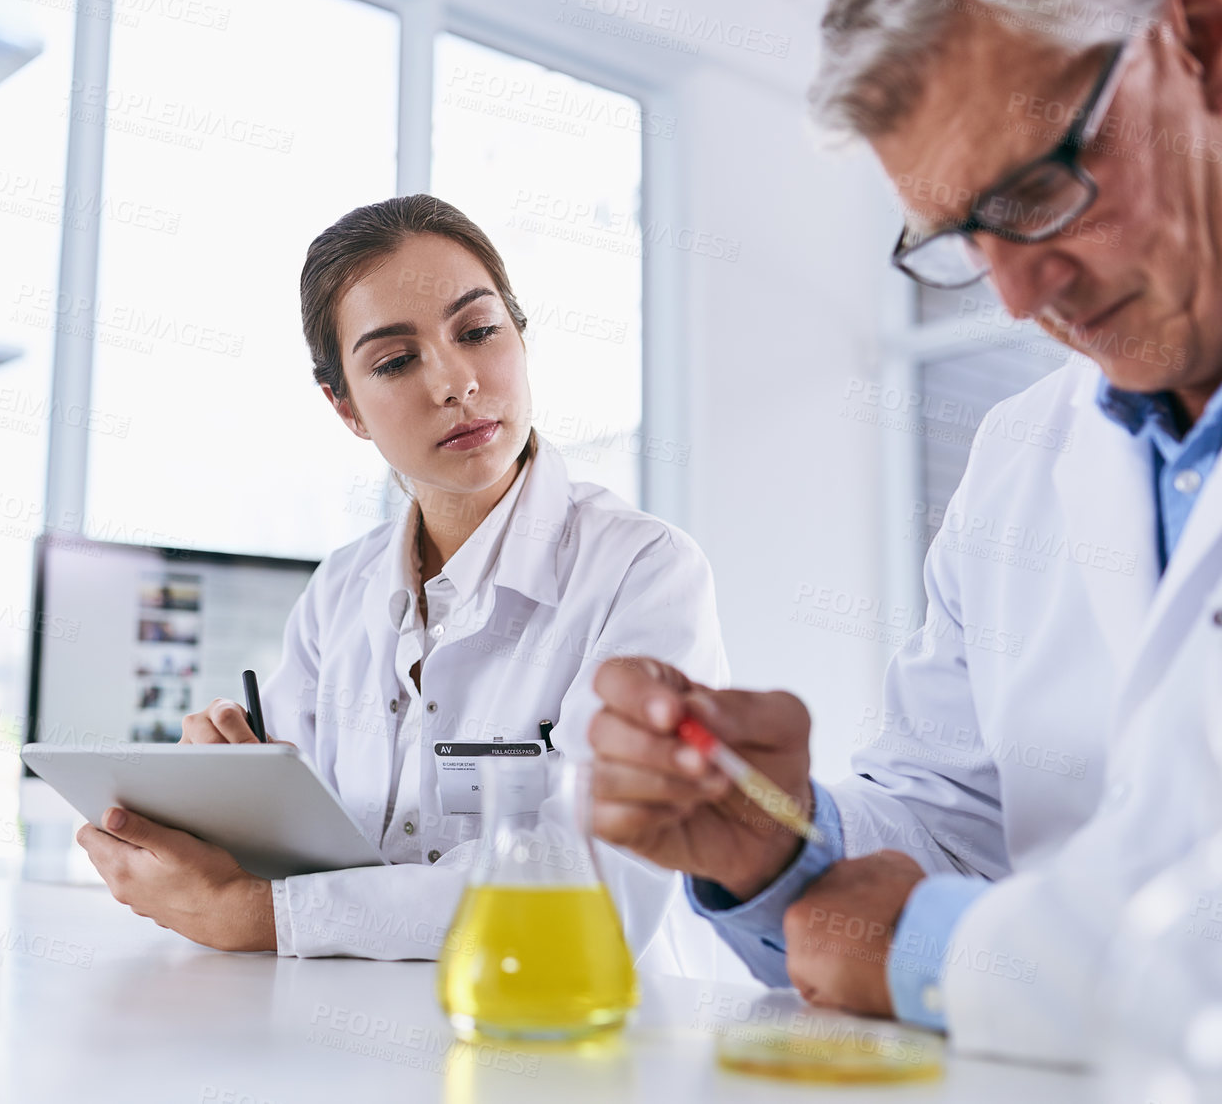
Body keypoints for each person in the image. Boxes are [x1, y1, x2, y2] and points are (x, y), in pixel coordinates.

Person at [588, 0, 1222, 1066]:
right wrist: (781, 851)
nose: (1021, 296)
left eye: (1035, 191)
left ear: (1209, 36)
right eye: (959, 239)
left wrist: (947, 953)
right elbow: (959, 814)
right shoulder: (1025, 452)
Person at [77, 194, 732, 965]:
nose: (455, 383)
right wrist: (221, 808)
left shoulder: (643, 570)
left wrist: (265, 916)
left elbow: (596, 883)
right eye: (395, 361)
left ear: (519, 337)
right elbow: (293, 857)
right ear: (345, 406)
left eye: (479, 331)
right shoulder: (339, 591)